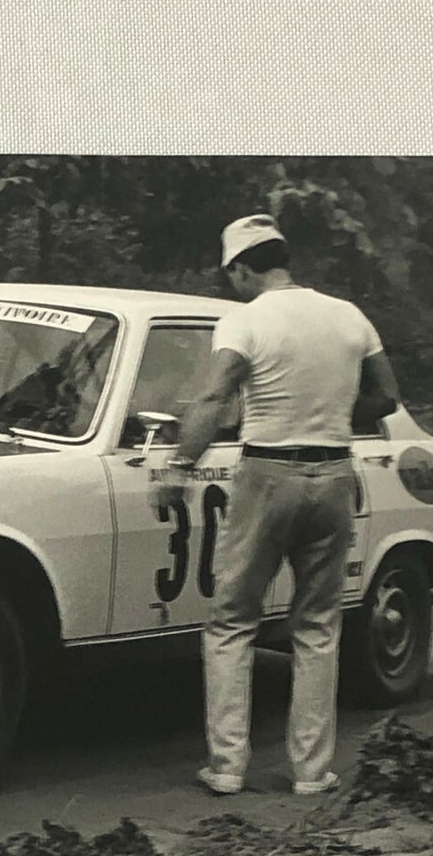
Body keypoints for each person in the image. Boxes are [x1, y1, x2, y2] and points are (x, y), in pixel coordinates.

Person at [155, 213, 400, 797]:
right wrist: (334, 415)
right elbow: (387, 397)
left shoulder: (247, 320)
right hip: (336, 474)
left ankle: (227, 766)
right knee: (317, 626)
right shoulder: (348, 316)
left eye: (231, 275)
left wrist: (180, 465)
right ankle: (312, 772)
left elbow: (215, 396)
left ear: (241, 269)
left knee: (232, 622)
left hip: (269, 473)